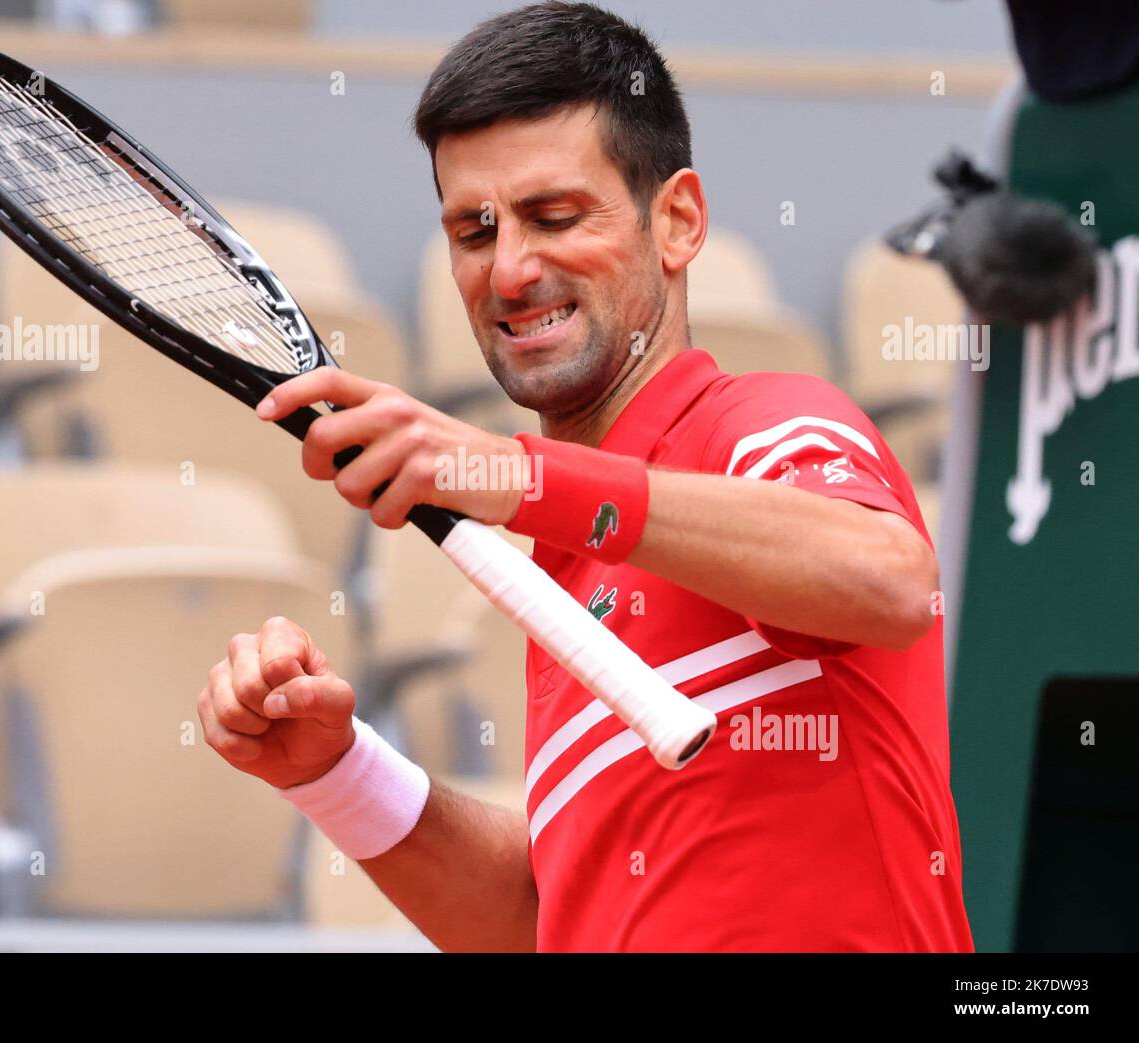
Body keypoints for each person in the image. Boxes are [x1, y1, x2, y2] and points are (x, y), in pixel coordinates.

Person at [197, 1, 973, 952]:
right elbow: (550, 922)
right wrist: (335, 772)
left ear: (678, 220)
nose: (512, 269)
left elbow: (890, 581)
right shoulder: (566, 563)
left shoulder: (768, 424)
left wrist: (514, 471)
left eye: (554, 216)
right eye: (473, 233)